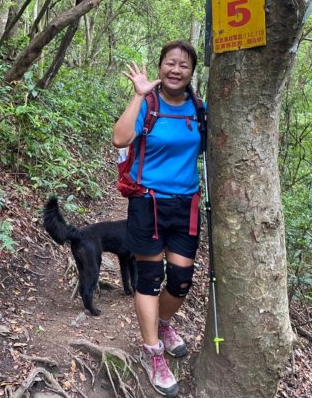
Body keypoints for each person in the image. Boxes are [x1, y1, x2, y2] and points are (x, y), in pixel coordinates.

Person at [112, 40, 204, 397]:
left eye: (183, 65)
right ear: (161, 66)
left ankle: (162, 323)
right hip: (148, 203)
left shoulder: (200, 109)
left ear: (191, 73)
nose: (176, 70)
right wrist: (138, 94)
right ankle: (153, 352)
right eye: (170, 63)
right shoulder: (148, 105)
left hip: (186, 206)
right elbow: (120, 137)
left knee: (180, 281)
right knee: (150, 278)